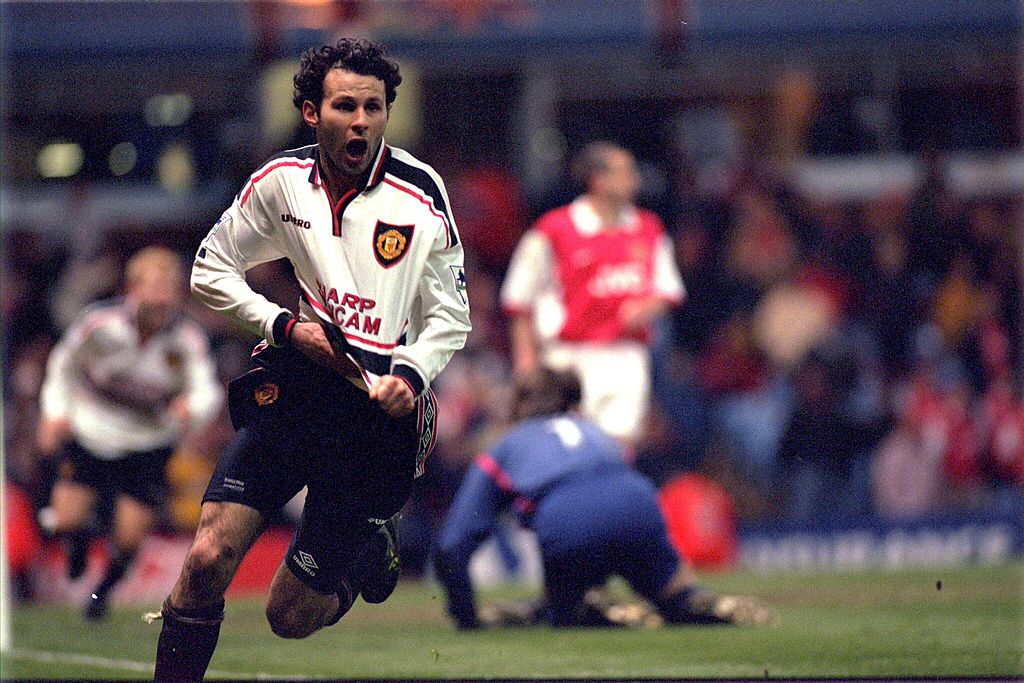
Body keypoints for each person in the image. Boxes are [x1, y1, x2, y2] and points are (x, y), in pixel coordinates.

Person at [151, 38, 470, 681]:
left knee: (287, 618)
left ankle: (361, 553)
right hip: (296, 389)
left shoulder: (419, 193)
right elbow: (212, 270)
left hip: (372, 417)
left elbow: (450, 315)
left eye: (373, 108)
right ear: (311, 112)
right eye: (346, 106)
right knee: (209, 555)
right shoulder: (279, 184)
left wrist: (410, 373)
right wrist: (283, 327)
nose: (361, 121)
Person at [433, 367, 772, 630]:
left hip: (568, 516)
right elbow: (620, 476)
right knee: (674, 593)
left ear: (517, 407)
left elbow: (453, 544)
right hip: (637, 499)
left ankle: (591, 608)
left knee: (562, 607)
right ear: (571, 403)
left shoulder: (504, 447)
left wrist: (465, 615)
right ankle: (699, 602)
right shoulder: (595, 432)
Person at [36, 246, 223, 621]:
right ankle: (77, 547)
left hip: (147, 443)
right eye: (153, 285)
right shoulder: (98, 324)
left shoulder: (186, 340)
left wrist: (193, 410)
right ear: (132, 288)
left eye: (168, 287)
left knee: (129, 539)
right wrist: (54, 414)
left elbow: (208, 389)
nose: (160, 296)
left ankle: (101, 592)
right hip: (91, 434)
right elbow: (62, 364)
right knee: (68, 519)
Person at [500, 141, 685, 450]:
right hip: (567, 360)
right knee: (568, 451)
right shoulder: (554, 229)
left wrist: (646, 308)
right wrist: (526, 362)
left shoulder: (648, 229)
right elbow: (519, 299)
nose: (634, 180)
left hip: (625, 358)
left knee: (618, 451)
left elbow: (669, 291)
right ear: (598, 180)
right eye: (625, 172)